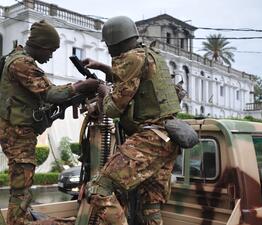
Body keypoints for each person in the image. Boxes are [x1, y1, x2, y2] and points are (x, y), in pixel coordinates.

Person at [82, 16, 181, 224]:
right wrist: (103, 68)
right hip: (168, 138)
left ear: (114, 42)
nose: (108, 51)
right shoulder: (150, 55)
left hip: (149, 138)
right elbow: (135, 81)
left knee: (99, 188)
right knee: (150, 203)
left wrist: (102, 90)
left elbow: (113, 109)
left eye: (108, 46)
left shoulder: (129, 59)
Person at [0, 20, 99, 225]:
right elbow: (52, 93)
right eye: (51, 50)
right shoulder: (22, 63)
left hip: (20, 132)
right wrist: (82, 86)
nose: (51, 56)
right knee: (21, 184)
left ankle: (22, 217)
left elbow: (49, 90)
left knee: (24, 182)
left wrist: (76, 90)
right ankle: (16, 221)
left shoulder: (24, 61)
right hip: (16, 133)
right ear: (42, 46)